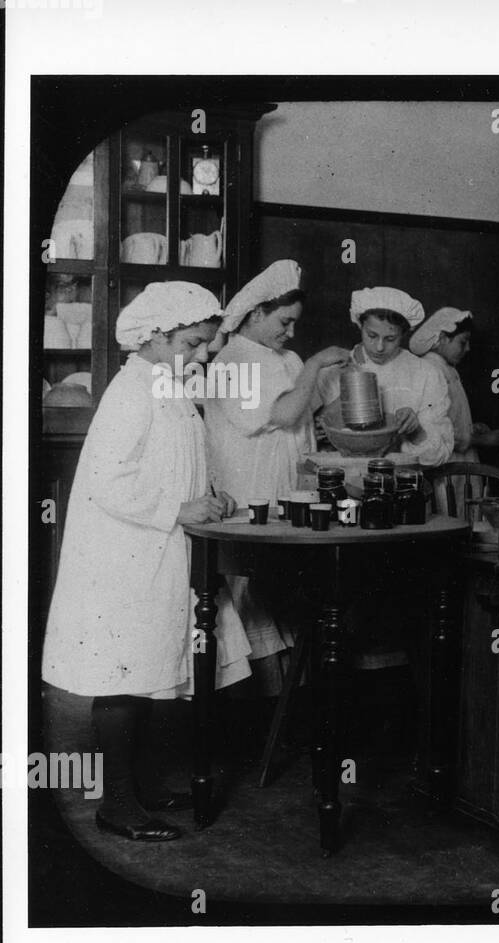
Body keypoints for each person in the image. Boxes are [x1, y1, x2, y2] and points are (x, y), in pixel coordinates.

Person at [42, 282, 253, 842]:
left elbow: (176, 463)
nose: (206, 353)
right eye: (195, 342)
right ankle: (117, 806)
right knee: (123, 674)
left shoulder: (171, 385)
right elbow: (104, 481)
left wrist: (209, 493)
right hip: (123, 554)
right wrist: (181, 506)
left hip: (158, 545)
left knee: (149, 671)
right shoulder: (131, 392)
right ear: (156, 337)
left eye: (208, 344)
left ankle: (140, 787)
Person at [204, 261, 352, 690]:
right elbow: (285, 412)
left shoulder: (286, 357)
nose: (291, 333)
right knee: (257, 604)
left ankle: (292, 712)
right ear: (255, 314)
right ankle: (271, 714)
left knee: (285, 601)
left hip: (289, 492)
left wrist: (332, 378)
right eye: (284, 322)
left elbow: (312, 413)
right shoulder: (231, 361)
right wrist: (317, 365)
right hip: (250, 493)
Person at [319, 287, 454, 466]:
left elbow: (440, 455)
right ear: (360, 326)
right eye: (372, 335)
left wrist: (416, 432)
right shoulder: (333, 372)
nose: (379, 347)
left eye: (390, 339)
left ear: (404, 334)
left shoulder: (426, 373)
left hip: (402, 483)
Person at [409, 307, 499, 462]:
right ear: (442, 338)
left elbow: (449, 417)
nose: (468, 348)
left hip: (460, 461)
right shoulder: (430, 370)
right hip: (445, 464)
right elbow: (433, 431)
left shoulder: (447, 368)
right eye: (463, 342)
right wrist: (481, 440)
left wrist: (470, 428)